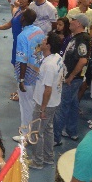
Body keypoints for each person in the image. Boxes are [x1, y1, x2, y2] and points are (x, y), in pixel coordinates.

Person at [27, 32, 65, 169]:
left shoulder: (49, 65)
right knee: (48, 129)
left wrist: (42, 109)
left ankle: (37, 161)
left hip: (46, 104)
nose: (42, 41)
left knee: (37, 132)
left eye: (45, 40)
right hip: (55, 101)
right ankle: (48, 157)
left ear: (48, 45)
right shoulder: (57, 58)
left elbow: (47, 89)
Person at [54, 13, 90, 145]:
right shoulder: (76, 38)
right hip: (73, 78)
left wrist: (71, 76)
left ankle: (55, 137)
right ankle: (72, 131)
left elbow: (83, 60)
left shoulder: (82, 39)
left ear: (79, 23)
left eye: (73, 20)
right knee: (73, 104)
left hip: (73, 79)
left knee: (62, 106)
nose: (71, 21)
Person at [0, 0, 29, 101]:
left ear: (29, 2)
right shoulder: (18, 11)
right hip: (15, 42)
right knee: (16, 67)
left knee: (21, 68)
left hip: (22, 44)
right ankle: (19, 90)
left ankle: (22, 93)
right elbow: (9, 24)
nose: (21, 0)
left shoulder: (27, 14)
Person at [15, 9, 45, 140]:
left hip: (27, 74)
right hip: (39, 71)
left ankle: (26, 134)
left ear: (23, 19)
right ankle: (34, 132)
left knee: (26, 105)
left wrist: (21, 79)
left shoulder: (22, 36)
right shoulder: (39, 31)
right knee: (34, 102)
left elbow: (22, 60)